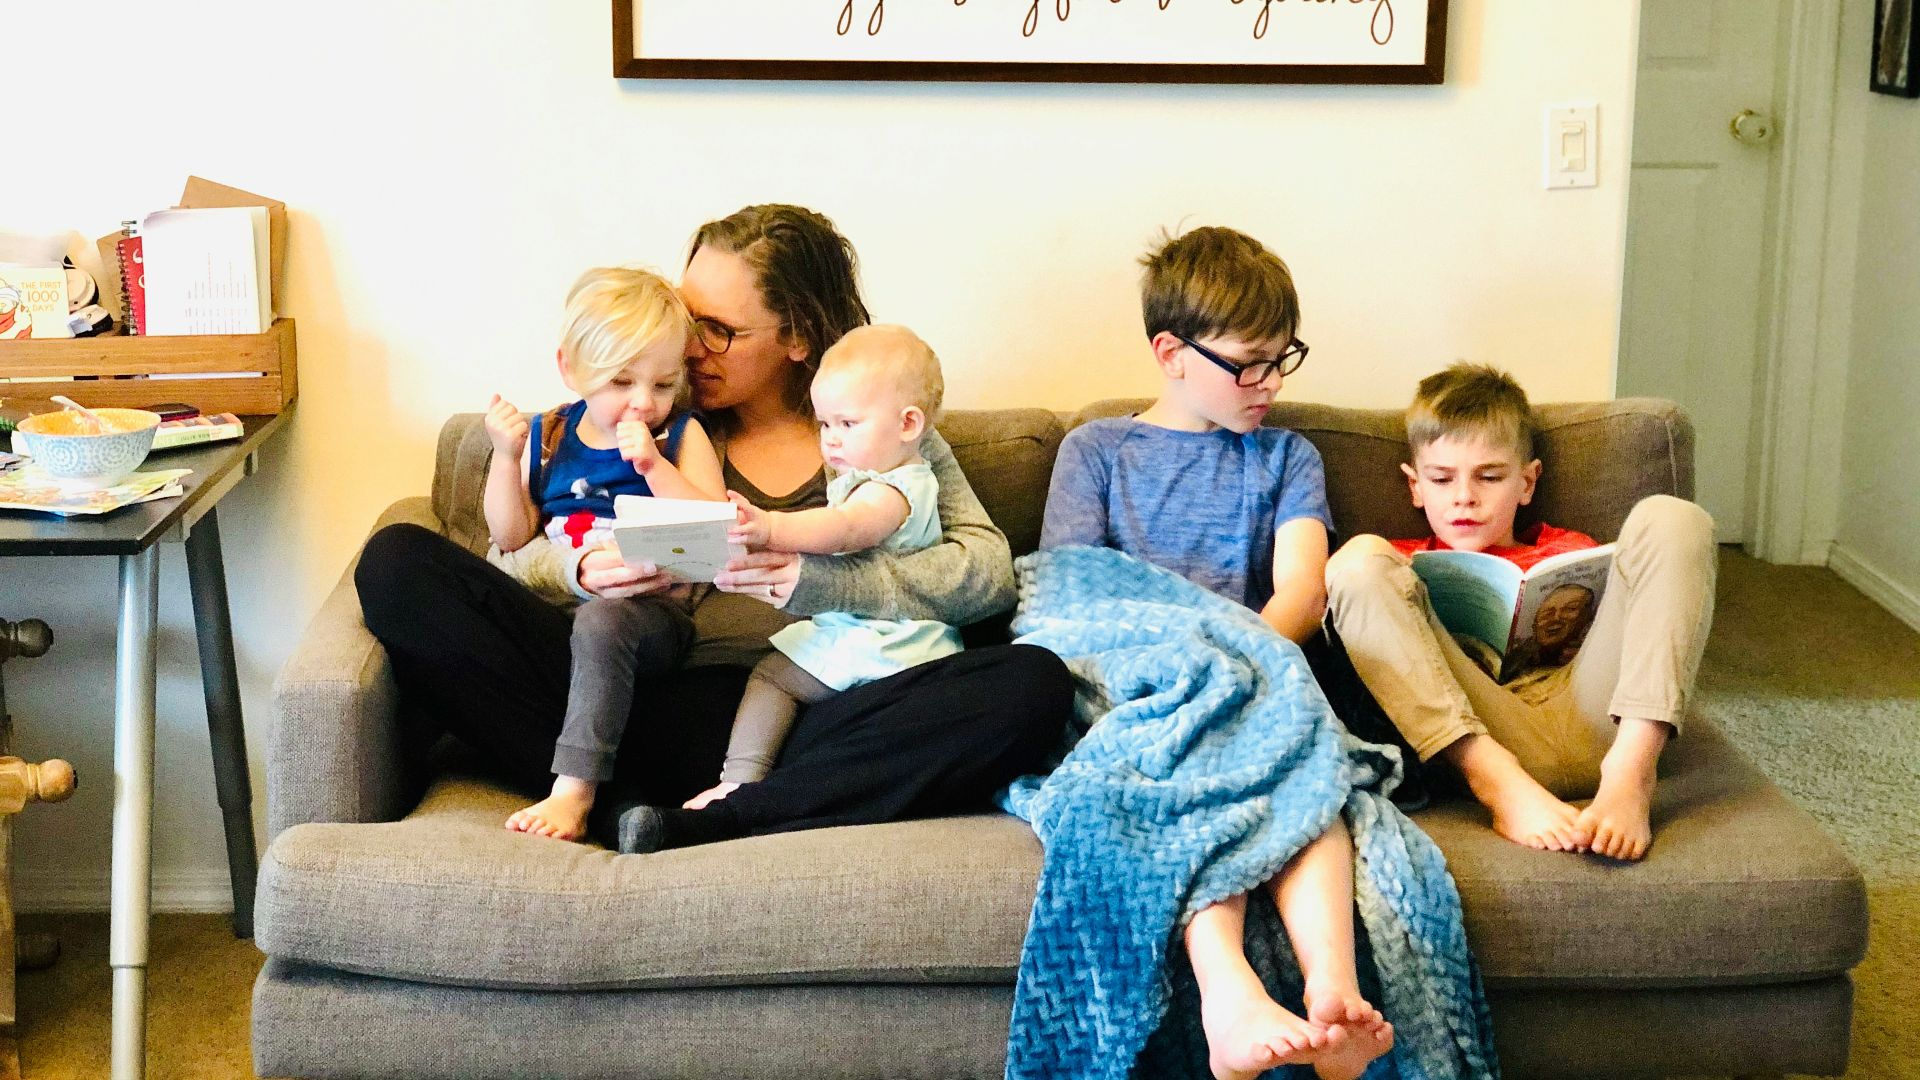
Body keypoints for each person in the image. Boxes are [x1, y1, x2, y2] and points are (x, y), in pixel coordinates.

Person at [354, 203, 1069, 857]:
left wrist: (818, 579)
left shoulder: (874, 429)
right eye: (686, 318)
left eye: (717, 331)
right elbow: (503, 555)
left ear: (798, 336)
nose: (689, 351)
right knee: (399, 562)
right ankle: (608, 789)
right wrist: (579, 570)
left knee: (1030, 684)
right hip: (631, 693)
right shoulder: (649, 419)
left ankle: (714, 814)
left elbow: (986, 574)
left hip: (804, 713)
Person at [1041, 226, 1392, 1080]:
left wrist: (1241, 668)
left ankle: (1334, 993)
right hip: (1139, 687)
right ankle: (1228, 990)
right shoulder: (1097, 451)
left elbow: (1302, 592)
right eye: (1248, 364)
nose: (1271, 384)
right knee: (1192, 776)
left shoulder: (1287, 456)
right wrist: (1191, 677)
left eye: (1283, 359)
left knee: (1310, 776)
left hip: (1259, 670)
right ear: (1171, 353)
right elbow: (1070, 602)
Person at [1324, 363, 1716, 860]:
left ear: (1528, 482)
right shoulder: (1397, 565)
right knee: (1357, 561)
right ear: (1415, 486)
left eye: (1489, 476)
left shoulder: (1573, 549)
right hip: (1481, 732)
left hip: (1598, 717)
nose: (1464, 497)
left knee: (1673, 516)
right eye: (1441, 479)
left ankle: (1633, 773)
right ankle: (1498, 784)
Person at [665, 324, 961, 823]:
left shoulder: (893, 489)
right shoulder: (873, 478)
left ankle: (739, 781)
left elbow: (846, 530)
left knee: (773, 676)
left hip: (883, 641)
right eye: (825, 424)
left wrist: (771, 526)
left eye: (847, 423)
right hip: (871, 635)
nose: (831, 440)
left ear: (909, 424)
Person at [476, 267, 725, 841]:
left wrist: (653, 467)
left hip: (648, 620)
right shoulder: (549, 435)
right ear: (571, 369)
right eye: (622, 382)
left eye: (663, 385)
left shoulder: (679, 435)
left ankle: (575, 791)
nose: (643, 403)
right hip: (556, 613)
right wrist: (505, 457)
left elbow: (713, 534)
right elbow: (510, 538)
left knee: (603, 620)